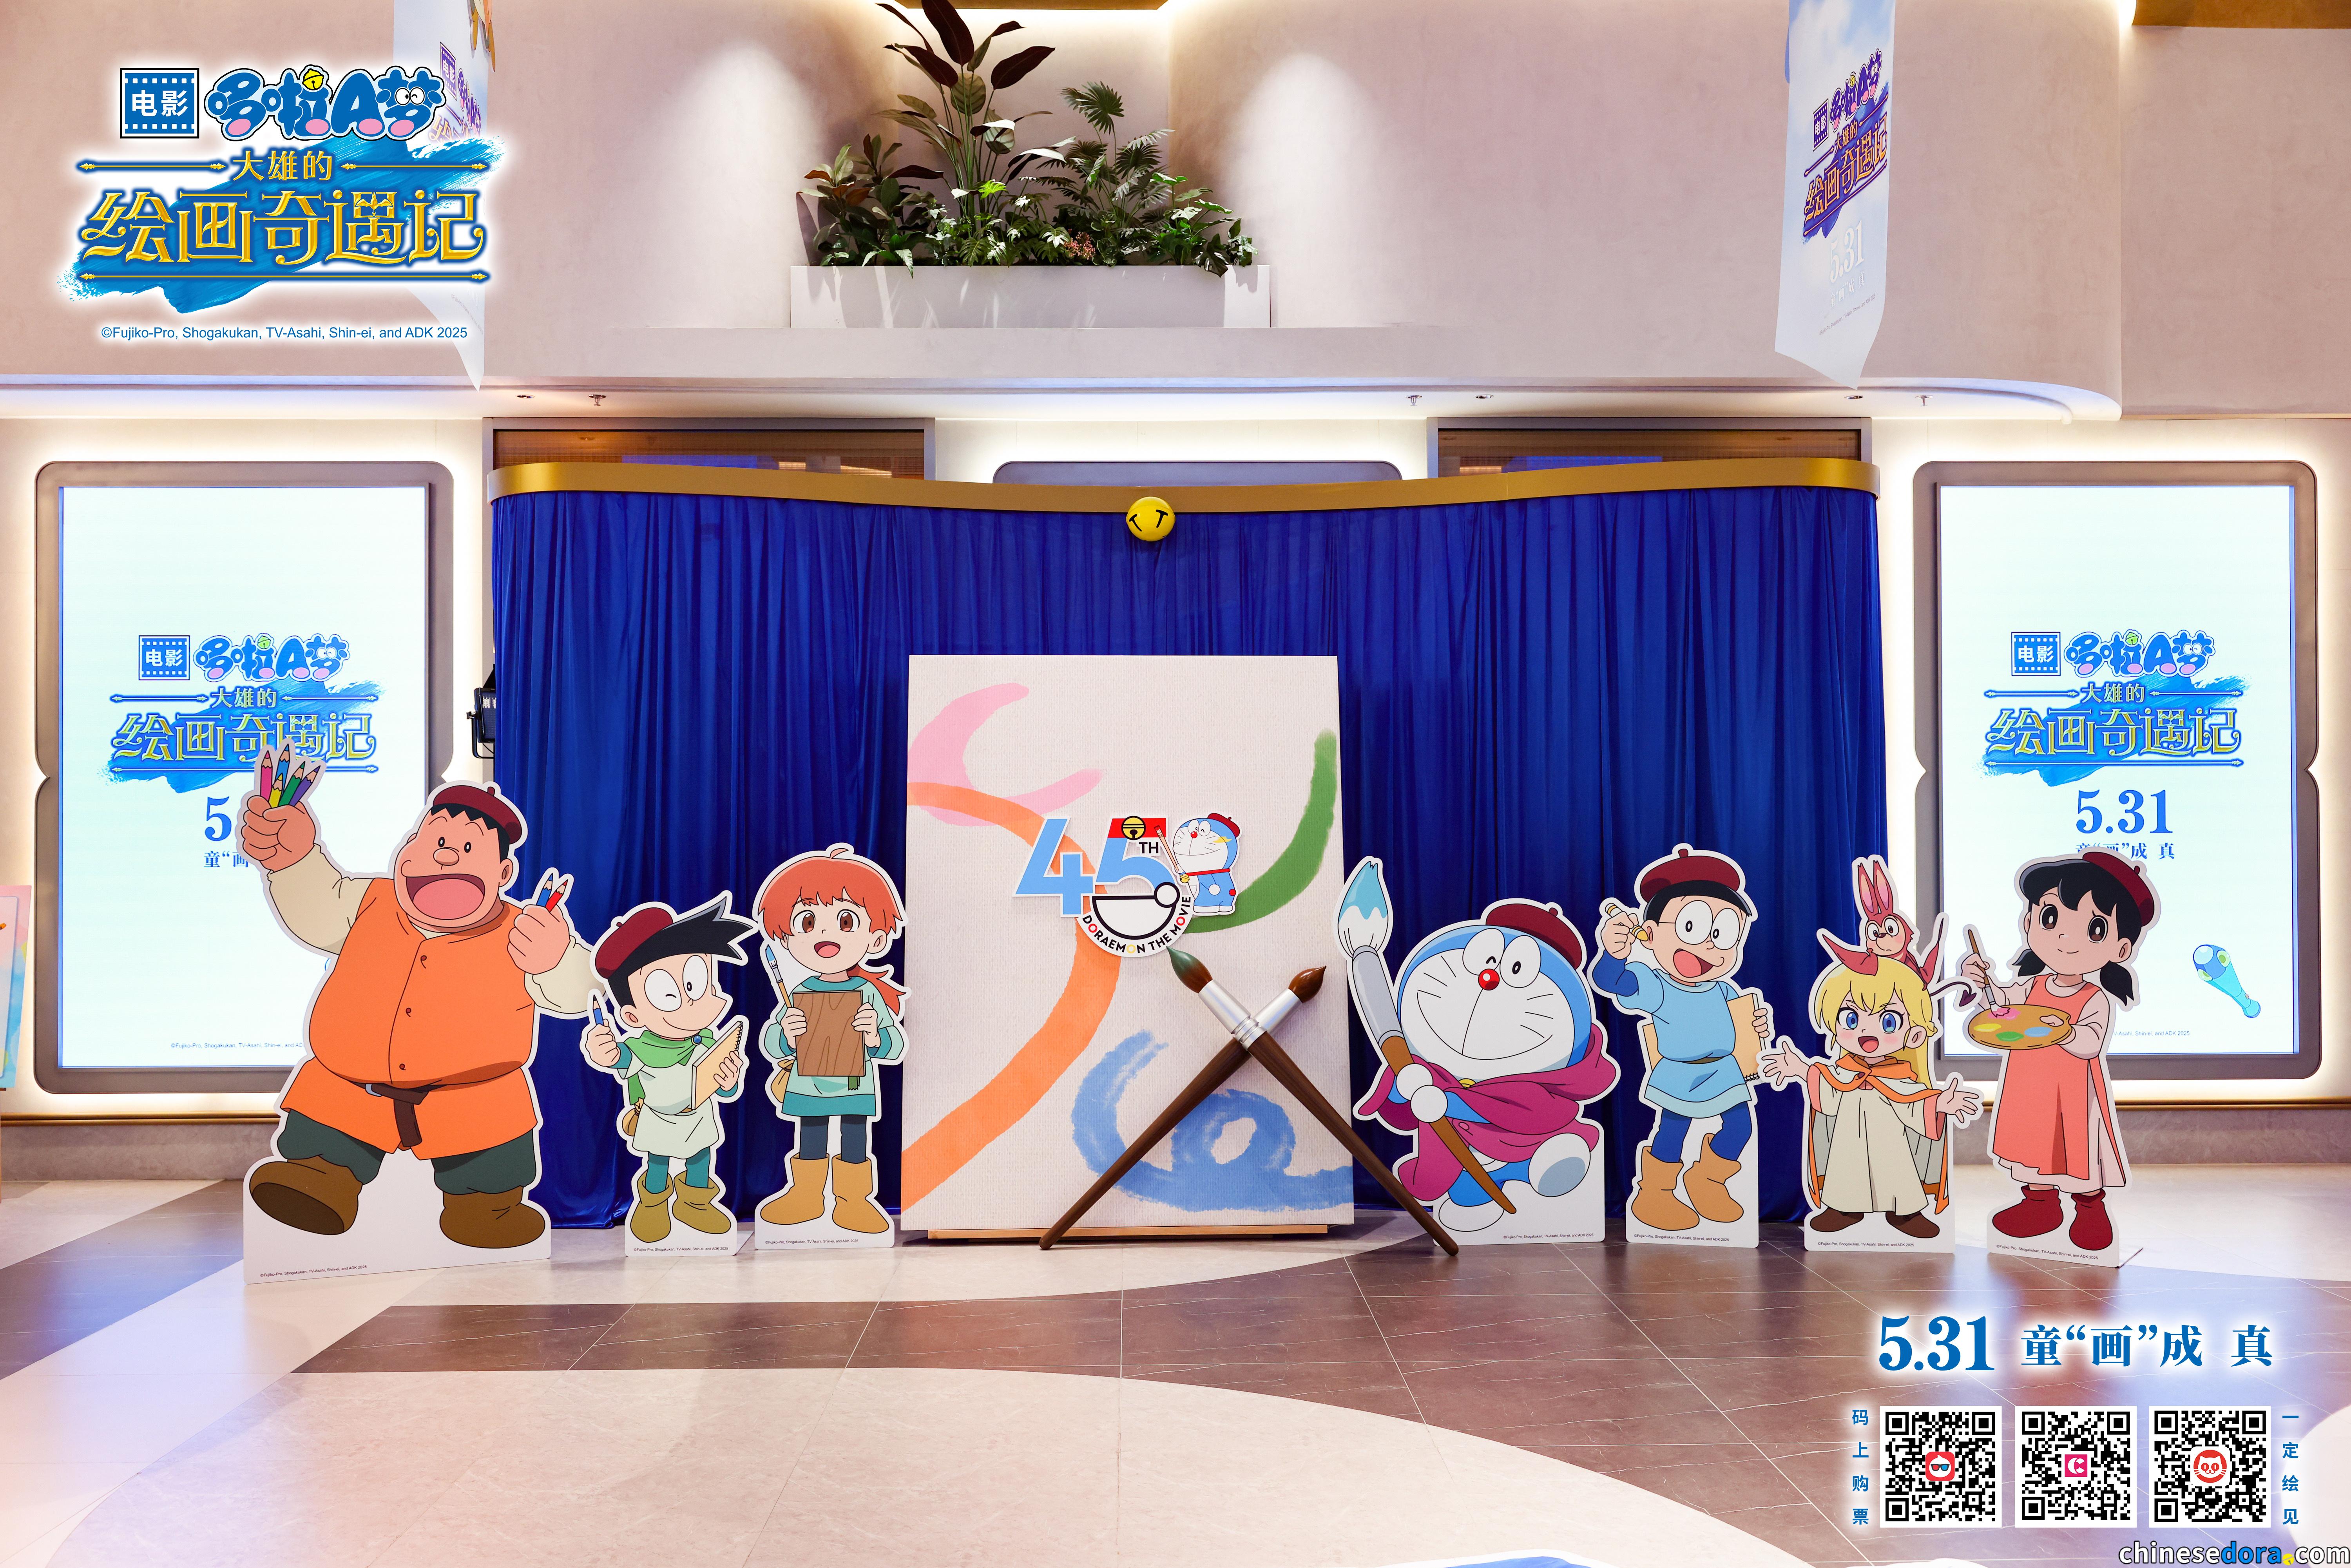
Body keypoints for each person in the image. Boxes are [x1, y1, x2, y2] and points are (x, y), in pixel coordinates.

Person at [241, 778, 593, 1248]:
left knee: (492, 1155)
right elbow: (319, 909)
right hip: (352, 1086)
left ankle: (486, 1208)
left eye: (467, 848)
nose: (445, 856)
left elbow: (578, 993)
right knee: (325, 1131)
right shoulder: (369, 901)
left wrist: (556, 958)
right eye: (435, 840)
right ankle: (319, 1181)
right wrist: (296, 860)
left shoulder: (523, 934)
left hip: (472, 1099)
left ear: (504, 873)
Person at [1958, 851, 2154, 1252]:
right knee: (2033, 1145)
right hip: (2030, 1087)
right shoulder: (2031, 986)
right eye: (2051, 918)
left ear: (2121, 948)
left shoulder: (2094, 998)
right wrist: (1983, 982)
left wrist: (2061, 1031)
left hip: (2073, 1094)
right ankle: (2041, 1204)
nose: (2066, 938)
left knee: (2076, 1149)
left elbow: (2090, 1043)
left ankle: (2090, 1207)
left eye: (2094, 929)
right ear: (2030, 921)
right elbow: (2001, 1008)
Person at [1591, 844, 1773, 1231]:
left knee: (1740, 1127)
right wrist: (1613, 952)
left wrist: (1757, 1028)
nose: (1709, 945)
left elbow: (1740, 1026)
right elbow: (1611, 981)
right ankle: (1655, 1194)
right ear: (1651, 934)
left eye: (1723, 933)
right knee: (1673, 1131)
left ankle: (1707, 1180)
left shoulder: (1725, 989)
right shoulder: (1656, 985)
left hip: (1725, 1072)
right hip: (1679, 1074)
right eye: (1692, 927)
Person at [1761, 959, 1981, 1237]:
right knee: (1846, 1165)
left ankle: (1905, 1212)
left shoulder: (1900, 1078)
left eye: (1888, 1022)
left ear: (1914, 1035)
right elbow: (1828, 1094)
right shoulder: (1843, 1073)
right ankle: (1844, 1208)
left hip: (1891, 1141)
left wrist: (1939, 1103)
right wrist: (1801, 1069)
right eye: (1851, 1020)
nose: (1867, 1033)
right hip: (1848, 1138)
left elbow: (1913, 1103)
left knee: (1897, 1168)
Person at [582, 896, 755, 1243]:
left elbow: (723, 1087)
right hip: (658, 1117)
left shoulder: (708, 1039)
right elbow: (619, 1058)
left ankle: (694, 1203)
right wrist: (603, 1050)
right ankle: (653, 1205)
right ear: (632, 1016)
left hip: (699, 1116)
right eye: (668, 994)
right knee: (658, 1160)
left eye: (696, 983)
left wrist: (729, 1078)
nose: (691, 1002)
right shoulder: (641, 1047)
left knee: (701, 1157)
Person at [754, 844, 907, 1234]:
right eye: (807, 922)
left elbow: (894, 1044)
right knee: (812, 1135)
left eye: (846, 920)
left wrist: (874, 1035)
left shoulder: (868, 992)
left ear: (875, 938)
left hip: (855, 1085)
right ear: (788, 938)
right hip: (809, 1084)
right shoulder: (799, 992)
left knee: (855, 1138)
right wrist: (786, 1034)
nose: (825, 934)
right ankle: (807, 1198)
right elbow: (772, 1045)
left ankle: (853, 1202)